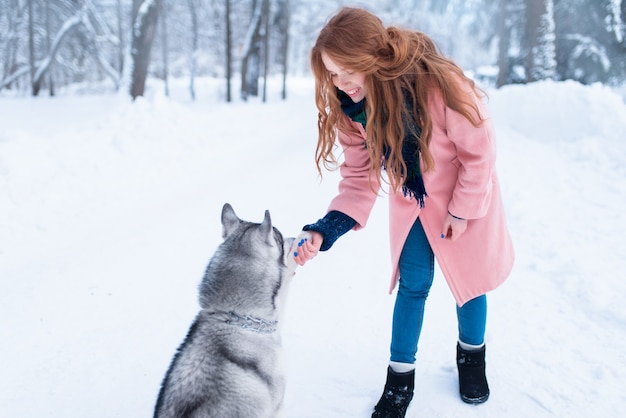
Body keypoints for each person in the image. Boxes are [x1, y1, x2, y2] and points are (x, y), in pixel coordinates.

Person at [293, 7, 515, 418]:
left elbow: (480, 150)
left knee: (469, 282)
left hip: (465, 198)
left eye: (347, 71)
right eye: (332, 74)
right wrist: (324, 231)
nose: (341, 84)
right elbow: (358, 179)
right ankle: (400, 379)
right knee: (414, 284)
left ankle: (472, 358)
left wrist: (463, 211)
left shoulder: (440, 85)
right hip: (414, 205)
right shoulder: (352, 111)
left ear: (372, 57)